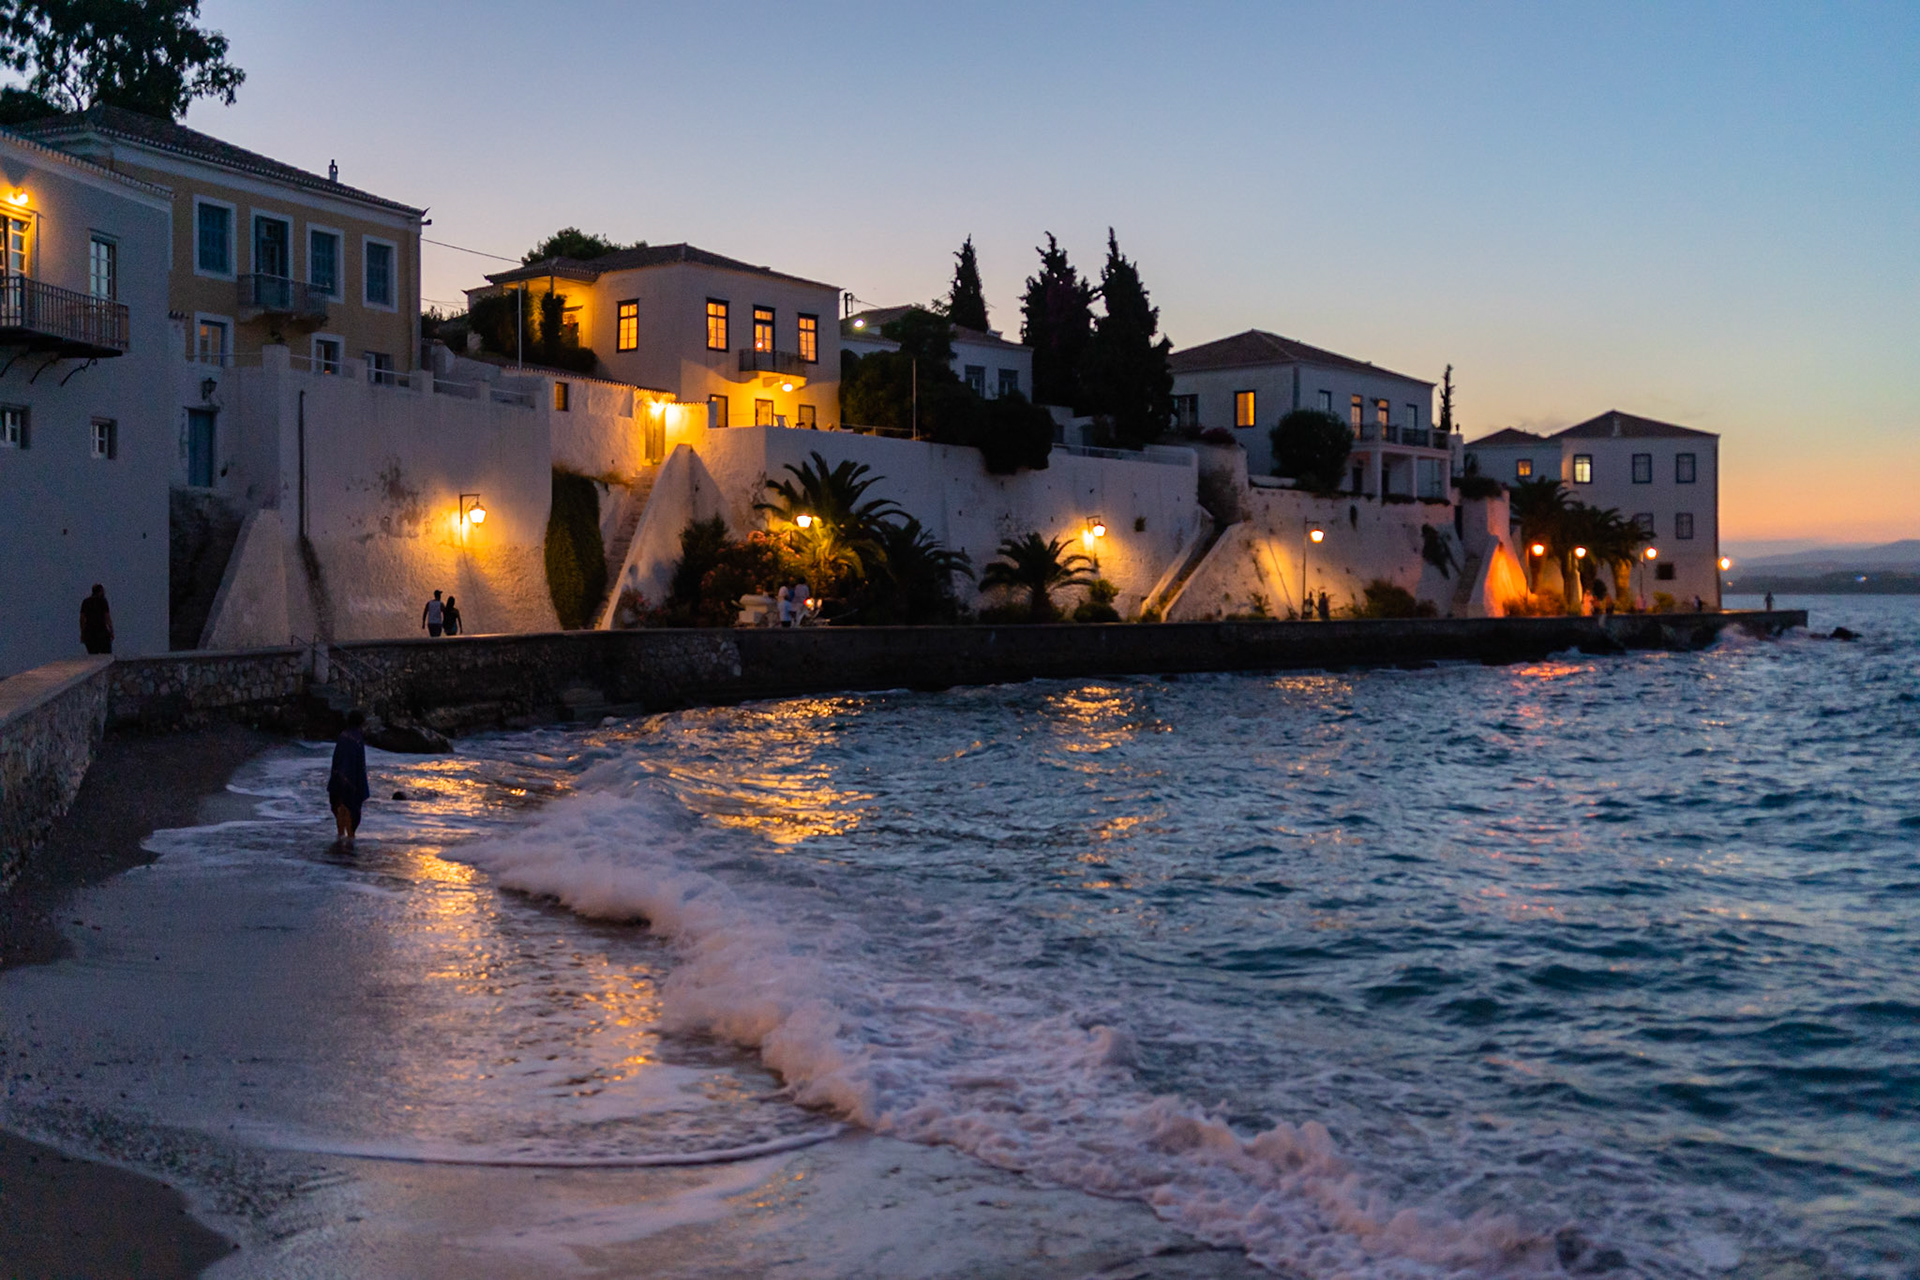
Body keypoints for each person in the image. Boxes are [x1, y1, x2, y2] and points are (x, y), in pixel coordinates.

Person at [328, 710, 372, 847]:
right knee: (350, 808)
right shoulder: (357, 738)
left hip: (338, 776)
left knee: (340, 806)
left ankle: (340, 837)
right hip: (352, 778)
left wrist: (338, 774)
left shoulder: (343, 736)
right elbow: (359, 763)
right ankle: (350, 841)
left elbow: (337, 758)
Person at [79, 583, 113, 655]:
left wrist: (82, 633)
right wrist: (111, 631)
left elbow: (82, 619)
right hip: (101, 631)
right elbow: (107, 617)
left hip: (89, 632)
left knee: (93, 656)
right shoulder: (103, 601)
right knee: (106, 656)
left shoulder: (86, 602)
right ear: (100, 591)